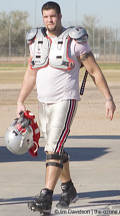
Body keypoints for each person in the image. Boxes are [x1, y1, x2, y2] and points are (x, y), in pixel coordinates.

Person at [17, 1, 116, 215]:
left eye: (53, 16)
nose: (49, 20)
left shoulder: (74, 41)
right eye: (45, 17)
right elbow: (31, 73)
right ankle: (68, 188)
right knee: (56, 148)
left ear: (60, 16)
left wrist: (108, 98)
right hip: (44, 101)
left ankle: (46, 195)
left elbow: (95, 71)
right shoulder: (36, 41)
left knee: (52, 147)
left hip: (66, 100)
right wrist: (20, 99)